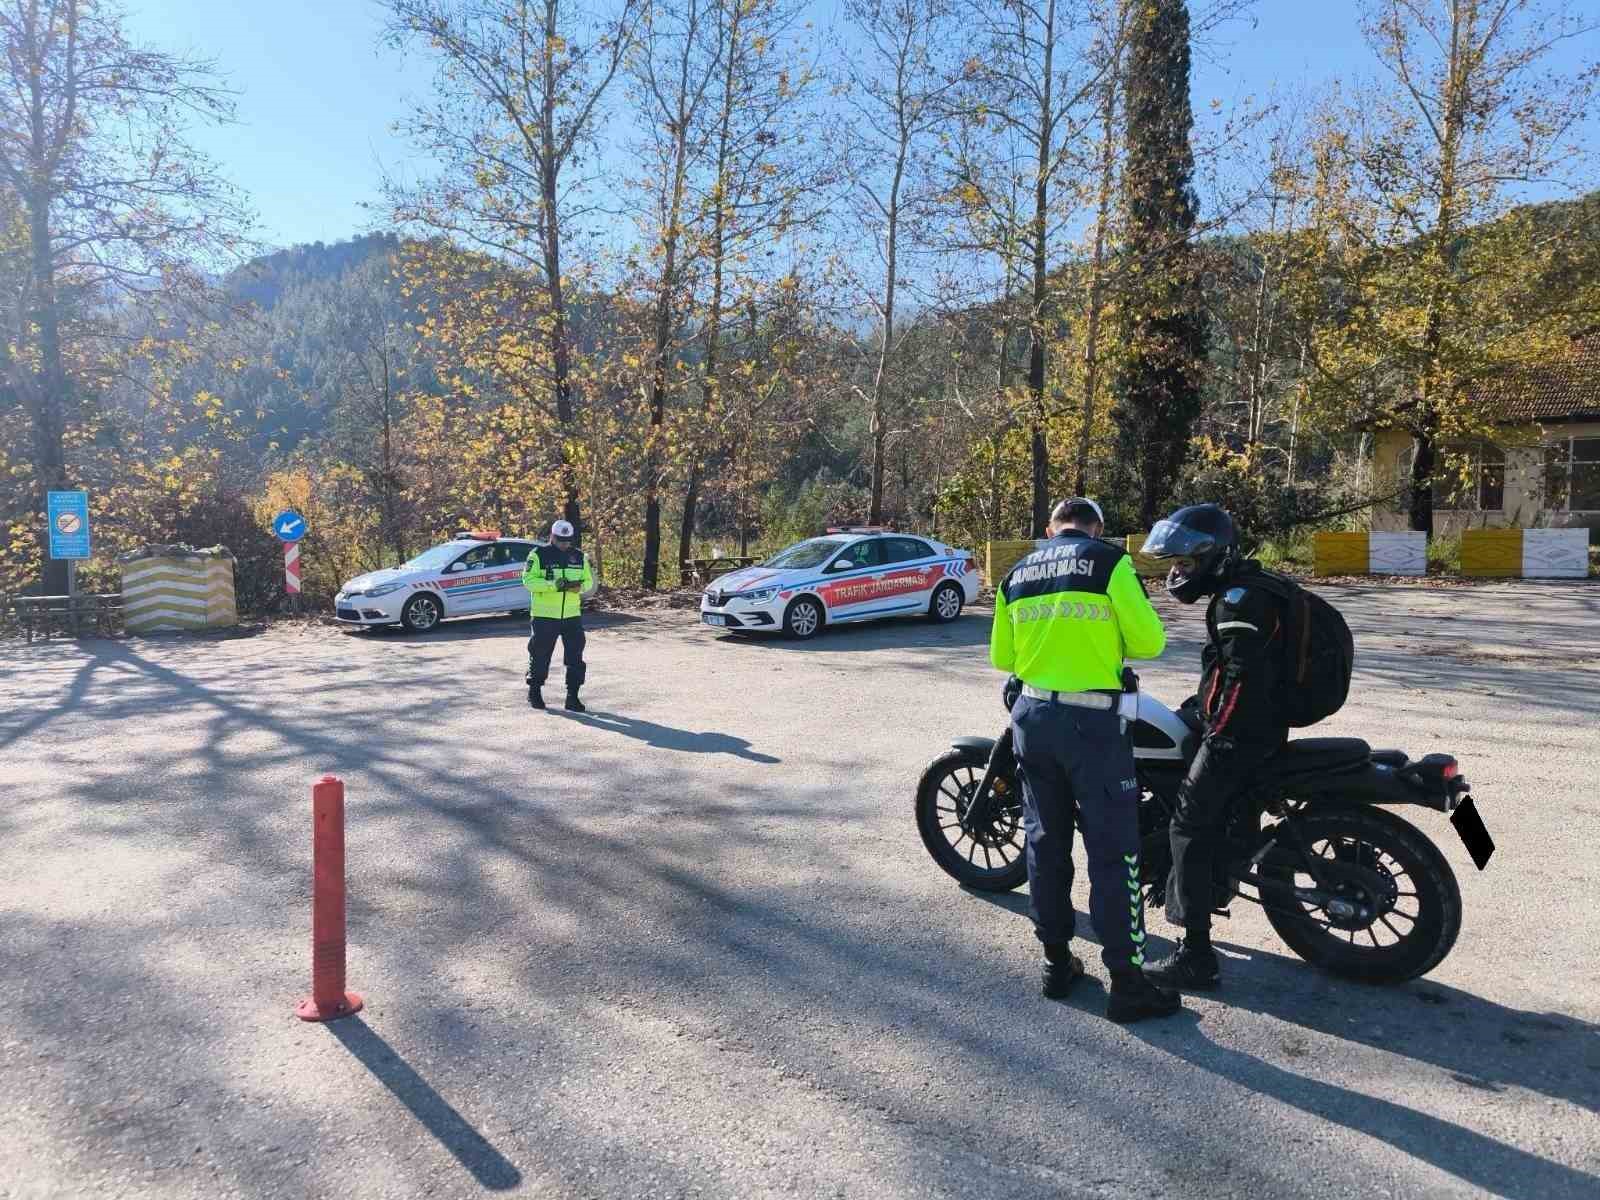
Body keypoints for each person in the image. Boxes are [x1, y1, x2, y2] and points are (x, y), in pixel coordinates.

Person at [991, 497, 1181, 1023]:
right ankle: (1127, 983)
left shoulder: (1016, 572)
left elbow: (1002, 659)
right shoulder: (1108, 562)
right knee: (1113, 851)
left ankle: (1056, 964)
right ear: (1097, 527)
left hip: (1032, 717)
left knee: (1045, 842)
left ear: (1051, 529)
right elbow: (1150, 641)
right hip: (1094, 725)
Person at [1138, 503, 1288, 991]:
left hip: (1243, 734)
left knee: (1187, 823)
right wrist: (1199, 708)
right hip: (1261, 723)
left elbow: (1242, 680)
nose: (1177, 573)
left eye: (1185, 563)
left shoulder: (1236, 603)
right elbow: (1227, 675)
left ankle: (1196, 956)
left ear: (1213, 557)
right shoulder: (1247, 588)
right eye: (1174, 564)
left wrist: (1216, 733)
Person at [522, 519, 594, 712]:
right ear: (552, 537)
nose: (565, 543)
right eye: (561, 539)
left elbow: (589, 581)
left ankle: (572, 696)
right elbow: (528, 581)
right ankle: (534, 691)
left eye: (568, 540)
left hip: (571, 615)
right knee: (540, 654)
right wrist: (553, 586)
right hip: (545, 615)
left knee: (575, 656)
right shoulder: (538, 555)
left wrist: (580, 588)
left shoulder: (579, 556)